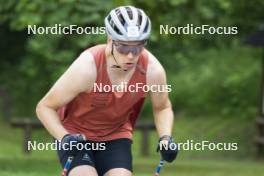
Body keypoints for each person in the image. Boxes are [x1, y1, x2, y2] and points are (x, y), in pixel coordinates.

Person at [36, 5, 177, 176]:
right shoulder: (87, 68)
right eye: (123, 47)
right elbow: (44, 107)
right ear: (110, 41)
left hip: (115, 134)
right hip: (75, 134)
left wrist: (165, 138)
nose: (131, 55)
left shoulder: (152, 71)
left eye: (137, 47)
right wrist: (65, 138)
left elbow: (162, 107)